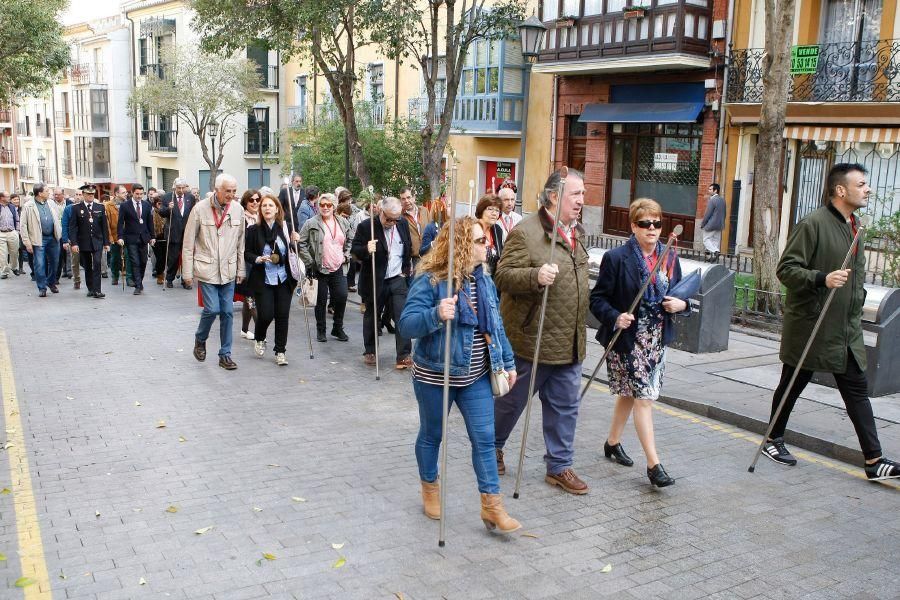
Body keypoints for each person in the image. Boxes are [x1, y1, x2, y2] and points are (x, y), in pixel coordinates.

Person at [762, 163, 899, 481]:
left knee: (857, 390)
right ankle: (772, 438)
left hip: (844, 328)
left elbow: (857, 275)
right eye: (862, 184)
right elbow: (786, 270)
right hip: (813, 325)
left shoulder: (855, 225)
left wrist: (858, 298)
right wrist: (823, 278)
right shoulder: (813, 224)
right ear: (841, 190)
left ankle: (874, 460)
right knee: (793, 383)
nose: (868, 189)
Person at [398, 216, 521, 533]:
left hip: (476, 377)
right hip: (434, 377)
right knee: (432, 435)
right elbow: (407, 325)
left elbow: (496, 327)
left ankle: (492, 507)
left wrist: (507, 362)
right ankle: (430, 487)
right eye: (481, 241)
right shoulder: (430, 280)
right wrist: (436, 314)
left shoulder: (484, 280)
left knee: (484, 440)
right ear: (464, 246)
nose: (487, 245)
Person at [492, 168, 591, 495]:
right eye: (576, 194)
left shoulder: (578, 232)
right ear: (553, 196)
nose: (581, 199)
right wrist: (534, 276)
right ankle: (492, 446)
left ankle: (559, 466)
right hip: (530, 340)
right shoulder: (525, 232)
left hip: (569, 341)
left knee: (566, 407)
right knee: (510, 404)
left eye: (582, 193)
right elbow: (502, 276)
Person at [589, 198, 689, 487]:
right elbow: (598, 299)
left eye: (657, 223)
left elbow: (682, 292)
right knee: (643, 398)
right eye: (645, 223)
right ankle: (653, 465)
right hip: (628, 340)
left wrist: (680, 304)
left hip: (657, 339)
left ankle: (612, 442)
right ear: (633, 226)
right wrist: (615, 316)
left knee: (630, 395)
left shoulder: (669, 255)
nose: (652, 229)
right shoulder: (617, 258)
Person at [183, 173, 246, 370]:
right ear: (217, 190)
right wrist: (187, 273)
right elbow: (188, 244)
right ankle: (200, 339)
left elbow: (241, 243)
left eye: (234, 191)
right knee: (212, 309)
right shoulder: (200, 208)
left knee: (227, 313)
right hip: (207, 268)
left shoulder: (238, 209)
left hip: (228, 269)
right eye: (228, 191)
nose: (232, 195)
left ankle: (225, 354)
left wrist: (241, 268)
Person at [350, 196, 413, 369]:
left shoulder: (402, 224)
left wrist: (405, 271)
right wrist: (365, 250)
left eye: (395, 219)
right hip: (375, 279)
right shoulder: (366, 227)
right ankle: (370, 350)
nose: (392, 222)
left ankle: (404, 354)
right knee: (372, 315)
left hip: (397, 278)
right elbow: (354, 251)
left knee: (402, 316)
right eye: (389, 218)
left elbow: (407, 247)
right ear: (380, 211)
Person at [244, 194, 296, 365]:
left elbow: (292, 252)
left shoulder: (286, 228)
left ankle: (280, 351)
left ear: (277, 210)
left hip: (283, 279)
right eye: (264, 205)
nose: (267, 208)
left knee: (282, 316)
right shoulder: (253, 230)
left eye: (270, 206)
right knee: (266, 315)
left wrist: (296, 242)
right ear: (261, 210)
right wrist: (258, 259)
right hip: (263, 279)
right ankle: (260, 337)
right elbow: (247, 253)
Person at [298, 192, 352, 343]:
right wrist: (309, 262)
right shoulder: (311, 223)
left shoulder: (343, 222)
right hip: (319, 268)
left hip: (338, 267)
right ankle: (321, 330)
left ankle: (337, 327)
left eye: (329, 205)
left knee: (342, 296)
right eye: (322, 205)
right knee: (321, 301)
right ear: (318, 206)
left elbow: (350, 240)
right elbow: (301, 243)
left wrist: (346, 256)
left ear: (334, 206)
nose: (325, 207)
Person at [20, 183, 63, 297]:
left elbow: (57, 218)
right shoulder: (28, 206)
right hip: (38, 239)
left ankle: (51, 282)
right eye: (47, 191)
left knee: (55, 262)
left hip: (53, 238)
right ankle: (42, 287)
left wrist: (59, 232)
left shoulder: (51, 203)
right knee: (39, 264)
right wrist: (27, 242)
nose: (49, 193)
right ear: (40, 193)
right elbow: (23, 225)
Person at [68, 184, 109, 299]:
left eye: (92, 194)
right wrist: (74, 243)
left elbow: (104, 226)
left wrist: (106, 243)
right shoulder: (76, 208)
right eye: (88, 194)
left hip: (97, 241)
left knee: (97, 263)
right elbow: (73, 227)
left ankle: (97, 290)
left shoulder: (100, 207)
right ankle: (90, 288)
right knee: (87, 265)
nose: (91, 196)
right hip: (84, 241)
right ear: (83, 195)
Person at [158, 178, 196, 289]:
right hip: (173, 232)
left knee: (186, 258)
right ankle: (169, 278)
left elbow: (193, 213)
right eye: (178, 188)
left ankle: (186, 280)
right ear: (174, 187)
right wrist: (168, 208)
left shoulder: (190, 197)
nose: (180, 190)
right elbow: (161, 213)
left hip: (187, 232)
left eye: (183, 187)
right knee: (173, 257)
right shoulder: (167, 197)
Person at [117, 184, 155, 295]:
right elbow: (120, 223)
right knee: (135, 262)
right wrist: (119, 237)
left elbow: (150, 222)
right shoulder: (125, 206)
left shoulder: (147, 205)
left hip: (144, 238)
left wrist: (152, 237)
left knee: (143, 261)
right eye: (137, 194)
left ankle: (140, 281)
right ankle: (137, 285)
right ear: (132, 193)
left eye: (141, 194)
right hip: (131, 238)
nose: (139, 196)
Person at [238, 189, 261, 340]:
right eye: (251, 200)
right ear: (245, 202)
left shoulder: (263, 218)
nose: (254, 203)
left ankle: (245, 330)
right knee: (251, 298)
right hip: (245, 264)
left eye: (257, 200)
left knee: (249, 300)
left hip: (260, 264)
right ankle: (261, 333)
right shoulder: (241, 219)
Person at [400, 187, 430, 268]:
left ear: (414, 198)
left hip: (429, 256)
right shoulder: (399, 217)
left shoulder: (424, 211)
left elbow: (431, 229)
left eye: (408, 197)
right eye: (403, 199)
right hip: (413, 259)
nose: (406, 201)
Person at [474, 193, 504, 276]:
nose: (494, 213)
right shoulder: (474, 229)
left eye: (497, 210)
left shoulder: (497, 230)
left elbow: (500, 252)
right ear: (481, 210)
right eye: (490, 209)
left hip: (493, 279)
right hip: (475, 276)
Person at [700, 183, 725, 262]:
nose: (709, 190)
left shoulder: (712, 200)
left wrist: (703, 224)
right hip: (720, 225)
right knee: (715, 241)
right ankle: (714, 256)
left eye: (710, 189)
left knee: (706, 239)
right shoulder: (722, 200)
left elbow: (708, 214)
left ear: (715, 190)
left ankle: (715, 252)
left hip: (711, 224)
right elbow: (724, 213)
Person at [61, 196, 82, 289]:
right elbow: (64, 224)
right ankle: (76, 280)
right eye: (76, 195)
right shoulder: (68, 209)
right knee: (75, 260)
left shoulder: (87, 207)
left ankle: (92, 280)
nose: (77, 197)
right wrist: (65, 240)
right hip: (73, 240)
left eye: (79, 194)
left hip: (87, 239)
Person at [51, 188, 72, 281]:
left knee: (68, 252)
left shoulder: (70, 204)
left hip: (67, 231)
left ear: (63, 195)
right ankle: (56, 277)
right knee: (58, 254)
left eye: (58, 194)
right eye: (55, 194)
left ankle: (69, 271)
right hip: (55, 232)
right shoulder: (50, 204)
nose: (56, 196)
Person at [0, 191, 20, 279]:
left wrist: (17, 231)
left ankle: (14, 267)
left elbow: (17, 220)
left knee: (15, 252)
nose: (9, 198)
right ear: (2, 198)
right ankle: (4, 272)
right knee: (3, 254)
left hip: (12, 232)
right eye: (7, 196)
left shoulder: (12, 207)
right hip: (1, 233)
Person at [151, 196, 167, 284]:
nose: (160, 206)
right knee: (159, 258)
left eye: (162, 204)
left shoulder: (165, 212)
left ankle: (162, 273)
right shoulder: (153, 212)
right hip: (156, 238)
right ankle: (159, 275)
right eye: (159, 204)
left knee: (164, 258)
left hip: (165, 238)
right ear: (155, 204)